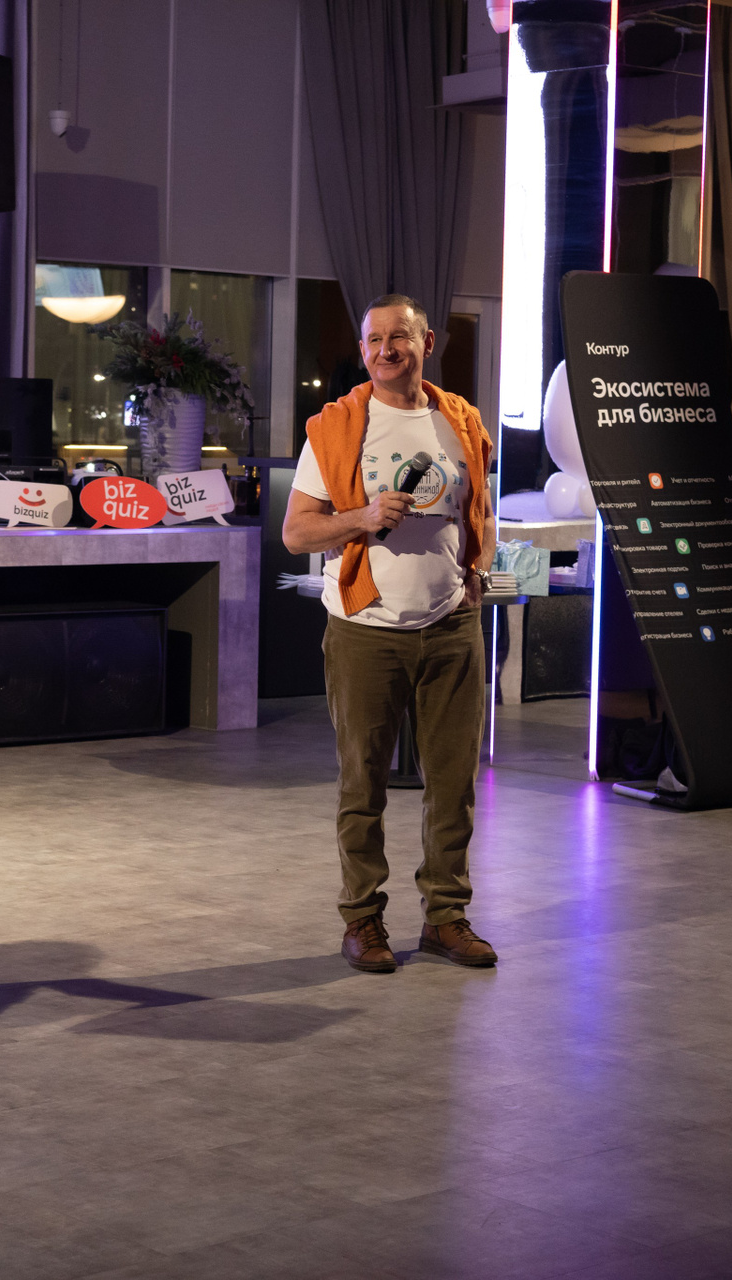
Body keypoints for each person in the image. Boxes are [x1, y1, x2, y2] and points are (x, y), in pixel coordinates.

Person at [283, 294, 498, 974]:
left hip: (452, 626)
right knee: (363, 784)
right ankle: (363, 920)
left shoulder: (460, 421)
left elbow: (478, 511)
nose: (385, 350)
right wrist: (362, 516)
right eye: (373, 340)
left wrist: (477, 571)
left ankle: (446, 918)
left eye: (397, 337)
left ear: (426, 343)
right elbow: (297, 533)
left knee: (454, 785)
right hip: (365, 628)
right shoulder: (337, 427)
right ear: (363, 350)